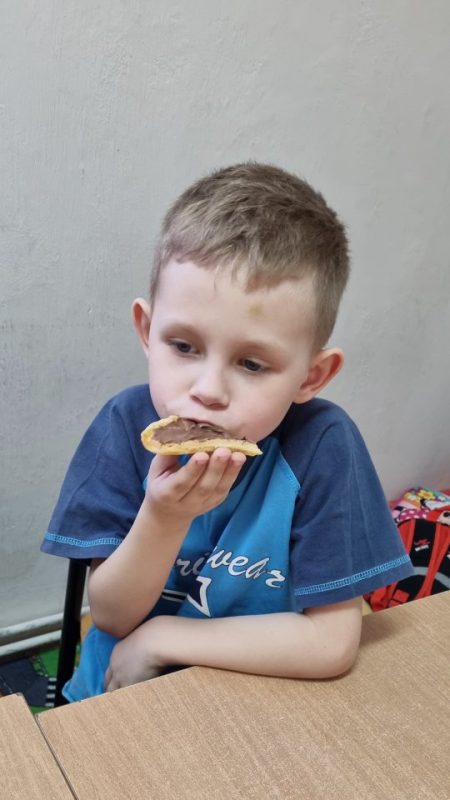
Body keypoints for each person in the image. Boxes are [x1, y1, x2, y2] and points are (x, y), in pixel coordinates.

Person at [41, 162, 413, 701]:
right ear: (147, 329)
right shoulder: (124, 426)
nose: (209, 390)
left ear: (311, 376)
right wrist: (164, 517)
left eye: (252, 364)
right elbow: (114, 617)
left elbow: (331, 644)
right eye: (184, 346)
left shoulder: (323, 445)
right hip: (118, 690)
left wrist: (165, 638)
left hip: (254, 692)